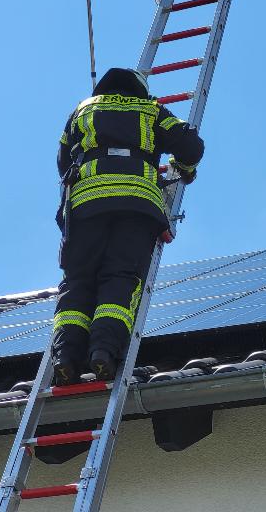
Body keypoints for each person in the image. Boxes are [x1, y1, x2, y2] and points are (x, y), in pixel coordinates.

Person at [53, 68, 204, 386]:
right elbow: (191, 147)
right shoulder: (151, 110)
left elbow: (63, 161)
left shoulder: (82, 110)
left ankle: (66, 357)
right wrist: (183, 169)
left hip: (85, 206)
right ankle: (103, 352)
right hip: (136, 205)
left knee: (78, 281)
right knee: (120, 277)